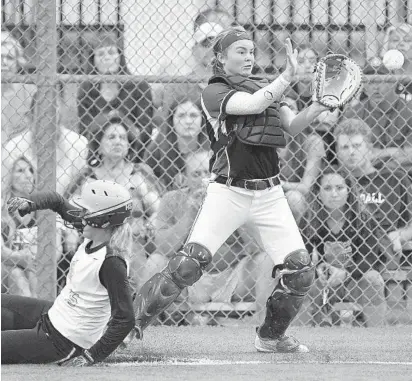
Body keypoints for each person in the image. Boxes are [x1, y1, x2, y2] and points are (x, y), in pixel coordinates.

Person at [127, 26, 331, 353]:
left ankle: (270, 337)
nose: (248, 57)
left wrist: (317, 107)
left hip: (270, 195)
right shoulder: (214, 92)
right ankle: (131, 325)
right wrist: (288, 77)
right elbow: (250, 104)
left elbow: (292, 126)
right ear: (221, 58)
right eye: (239, 51)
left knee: (300, 272)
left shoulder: (269, 87)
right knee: (188, 264)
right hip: (228, 193)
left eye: (251, 51)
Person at [1, 180, 135, 365]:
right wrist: (29, 202)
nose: (79, 215)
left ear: (104, 221)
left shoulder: (111, 262)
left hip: (64, 342)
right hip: (54, 315)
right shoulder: (95, 231)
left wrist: (91, 356)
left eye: (86, 212)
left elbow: (125, 318)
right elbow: (56, 201)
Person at [145, 150, 262, 312]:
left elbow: (255, 247)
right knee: (155, 262)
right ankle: (157, 323)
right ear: (184, 179)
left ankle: (266, 324)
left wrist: (232, 208)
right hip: (187, 281)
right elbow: (163, 249)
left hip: (232, 278)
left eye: (209, 173)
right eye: (196, 174)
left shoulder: (236, 196)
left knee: (263, 259)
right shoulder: (172, 199)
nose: (203, 179)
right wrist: (190, 212)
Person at [65, 111, 162, 287]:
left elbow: (158, 209)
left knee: (140, 281)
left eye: (123, 138)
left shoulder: (139, 173)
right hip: (96, 243)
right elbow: (70, 210)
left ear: (129, 144)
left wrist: (149, 226)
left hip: (134, 243)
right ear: (99, 145)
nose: (118, 141)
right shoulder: (88, 177)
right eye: (111, 137)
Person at [303, 167, 386, 327]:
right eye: (327, 188)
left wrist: (345, 273)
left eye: (339, 188)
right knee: (299, 280)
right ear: (318, 193)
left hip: (354, 280)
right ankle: (305, 331)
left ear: (349, 190)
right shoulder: (309, 220)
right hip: (322, 281)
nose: (334, 194)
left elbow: (368, 259)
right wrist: (315, 271)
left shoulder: (363, 219)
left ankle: (376, 332)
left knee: (374, 279)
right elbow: (301, 256)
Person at [334, 118, 412, 271]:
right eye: (344, 147)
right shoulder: (334, 183)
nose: (351, 152)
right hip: (345, 249)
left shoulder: (394, 179)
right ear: (337, 152)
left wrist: (400, 235)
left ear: (369, 148)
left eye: (356, 145)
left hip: (384, 248)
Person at [77, 34, 154, 159]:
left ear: (120, 57)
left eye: (112, 52)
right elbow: (85, 131)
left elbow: (145, 129)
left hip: (134, 153)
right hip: (98, 154)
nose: (107, 57)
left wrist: (121, 138)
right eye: (101, 54)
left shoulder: (139, 86)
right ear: (93, 60)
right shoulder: (86, 91)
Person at [2, 91, 88, 195]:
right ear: (32, 114)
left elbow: (80, 187)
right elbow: (4, 188)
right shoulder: (14, 147)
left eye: (54, 107)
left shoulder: (78, 143)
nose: (48, 113)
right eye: (42, 108)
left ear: (61, 114)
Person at [1, 156, 63, 297]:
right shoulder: (1, 207)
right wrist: (23, 257)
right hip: (6, 267)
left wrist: (34, 258)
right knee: (16, 273)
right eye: (20, 171)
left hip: (37, 266)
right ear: (9, 176)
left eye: (30, 170)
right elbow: (2, 252)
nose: (28, 175)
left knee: (29, 271)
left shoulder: (46, 206)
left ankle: (34, 309)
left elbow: (57, 249)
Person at [342, 61, 412, 173]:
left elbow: (410, 156)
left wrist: (376, 156)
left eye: (380, 80)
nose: (375, 87)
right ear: (363, 86)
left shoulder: (409, 110)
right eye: (369, 82)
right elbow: (346, 156)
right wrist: (393, 152)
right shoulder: (354, 114)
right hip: (364, 176)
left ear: (393, 82)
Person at [145, 95, 209, 190]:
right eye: (181, 116)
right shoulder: (155, 150)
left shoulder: (214, 149)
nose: (188, 121)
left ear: (202, 119)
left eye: (193, 115)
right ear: (172, 121)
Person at [1, 31, 36, 144]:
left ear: (17, 63)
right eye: (0, 57)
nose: (4, 63)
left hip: (19, 154)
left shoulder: (30, 91)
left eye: (10, 58)